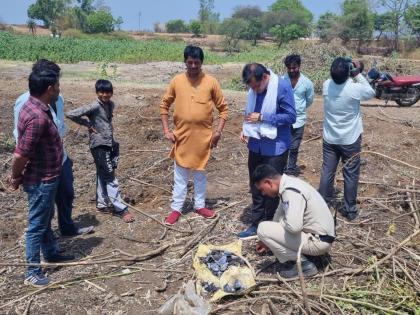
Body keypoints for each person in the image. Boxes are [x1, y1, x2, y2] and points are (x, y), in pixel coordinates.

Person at [8, 62, 75, 287]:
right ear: (49, 88)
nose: (59, 88)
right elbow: (20, 154)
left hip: (48, 175)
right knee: (37, 224)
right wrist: (15, 177)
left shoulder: (33, 106)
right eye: (57, 85)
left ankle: (51, 252)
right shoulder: (37, 116)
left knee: (45, 219)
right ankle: (32, 271)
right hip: (41, 179)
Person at [13, 60, 94, 237]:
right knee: (45, 208)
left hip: (59, 158)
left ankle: (67, 227)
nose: (58, 85)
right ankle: (46, 243)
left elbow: (59, 126)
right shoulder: (24, 102)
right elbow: (22, 139)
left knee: (66, 194)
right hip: (41, 165)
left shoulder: (58, 98)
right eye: (56, 81)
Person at [160, 45, 228, 225]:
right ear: (185, 62)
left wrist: (218, 132)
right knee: (180, 175)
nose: (193, 66)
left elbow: (223, 110)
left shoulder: (211, 82)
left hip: (203, 138)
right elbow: (164, 106)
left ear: (201, 63)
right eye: (189, 62)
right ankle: (176, 208)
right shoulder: (176, 81)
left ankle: (199, 205)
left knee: (199, 174)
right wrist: (167, 130)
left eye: (196, 63)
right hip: (181, 136)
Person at [238, 63, 296, 238]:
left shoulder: (282, 86)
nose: (254, 89)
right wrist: (245, 129)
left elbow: (291, 116)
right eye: (251, 87)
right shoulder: (253, 90)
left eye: (256, 85)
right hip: (256, 144)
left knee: (271, 189)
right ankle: (256, 224)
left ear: (264, 77)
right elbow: (251, 113)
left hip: (276, 147)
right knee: (256, 185)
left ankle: (271, 227)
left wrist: (264, 117)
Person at [66, 79, 135, 223]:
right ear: (97, 92)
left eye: (108, 92)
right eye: (102, 92)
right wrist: (87, 123)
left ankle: (102, 203)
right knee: (109, 175)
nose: (105, 95)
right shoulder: (94, 106)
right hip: (98, 145)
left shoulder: (111, 104)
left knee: (102, 173)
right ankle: (120, 209)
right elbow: (71, 114)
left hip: (109, 143)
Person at [254, 164, 335, 278]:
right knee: (267, 229)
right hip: (321, 237)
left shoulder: (291, 192)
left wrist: (267, 232)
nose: (263, 193)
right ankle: (307, 257)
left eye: (262, 189)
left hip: (318, 242)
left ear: (268, 183)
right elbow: (279, 213)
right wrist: (266, 240)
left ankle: (303, 265)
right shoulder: (289, 184)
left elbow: (294, 227)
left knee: (262, 228)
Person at [319, 57, 375, 221]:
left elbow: (336, 79)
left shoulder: (326, 85)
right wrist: (357, 73)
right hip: (350, 140)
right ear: (348, 73)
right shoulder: (354, 88)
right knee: (350, 174)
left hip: (330, 139)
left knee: (327, 171)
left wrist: (349, 71)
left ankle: (322, 204)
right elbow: (371, 92)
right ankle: (350, 210)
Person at [282, 54, 314, 176]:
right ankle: (283, 167)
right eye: (289, 68)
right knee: (284, 146)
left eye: (294, 68)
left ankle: (290, 169)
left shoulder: (307, 83)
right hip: (284, 119)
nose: (291, 70)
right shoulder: (282, 81)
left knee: (294, 147)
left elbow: (309, 100)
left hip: (299, 120)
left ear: (299, 66)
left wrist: (299, 109)